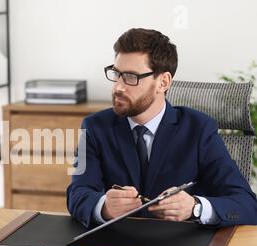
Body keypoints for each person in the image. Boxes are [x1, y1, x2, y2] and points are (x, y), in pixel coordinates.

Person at [67, 28, 257, 229]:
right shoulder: (95, 127)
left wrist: (195, 207)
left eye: (131, 77)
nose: (118, 87)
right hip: (114, 245)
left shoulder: (199, 129)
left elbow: (247, 204)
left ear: (163, 82)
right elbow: (77, 193)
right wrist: (104, 206)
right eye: (117, 74)